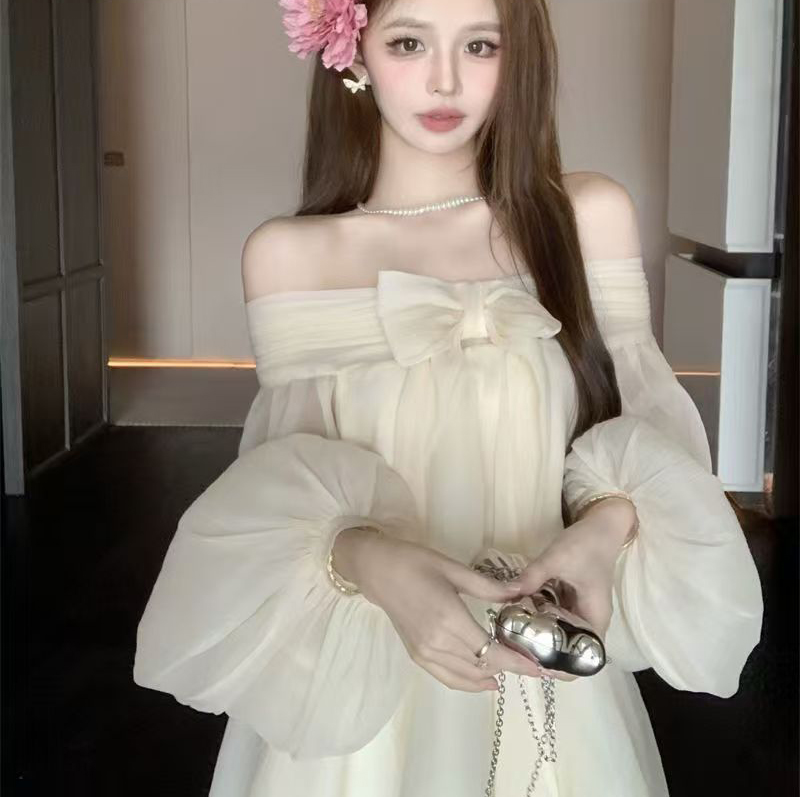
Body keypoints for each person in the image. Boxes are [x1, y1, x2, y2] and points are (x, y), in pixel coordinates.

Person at [132, 0, 764, 794]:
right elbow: (281, 493)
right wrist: (370, 561)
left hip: (545, 678)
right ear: (351, 51)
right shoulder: (290, 258)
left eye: (480, 45)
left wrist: (604, 532)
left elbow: (651, 433)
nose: (444, 79)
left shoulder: (586, 218)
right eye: (408, 42)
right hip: (371, 684)